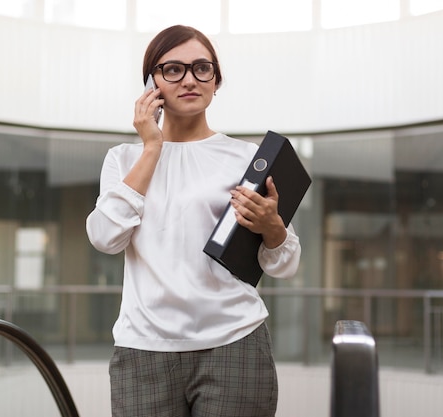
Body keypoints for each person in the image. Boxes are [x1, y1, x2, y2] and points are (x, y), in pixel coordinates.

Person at [86, 25, 301, 417]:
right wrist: (152, 148)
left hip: (234, 340)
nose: (189, 79)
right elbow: (105, 237)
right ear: (152, 83)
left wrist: (272, 227)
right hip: (143, 350)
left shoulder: (246, 158)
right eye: (173, 69)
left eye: (202, 68)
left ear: (216, 81)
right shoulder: (122, 159)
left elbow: (286, 263)